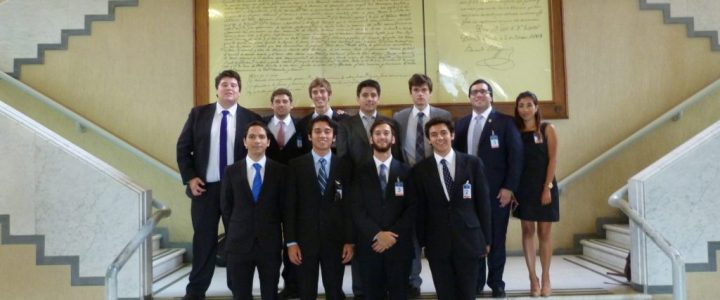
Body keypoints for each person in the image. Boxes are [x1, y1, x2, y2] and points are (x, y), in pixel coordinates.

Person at [176, 69, 261, 300]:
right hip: (205, 189)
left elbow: (258, 152)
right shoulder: (198, 114)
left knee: (236, 243)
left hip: (238, 192)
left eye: (234, 85)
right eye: (224, 84)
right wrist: (191, 177)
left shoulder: (250, 118)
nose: (229, 88)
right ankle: (195, 292)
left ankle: (239, 291)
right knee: (203, 241)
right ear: (217, 89)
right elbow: (183, 148)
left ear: (239, 91)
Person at [453, 79, 523, 298]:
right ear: (469, 97)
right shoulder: (462, 123)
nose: (479, 95)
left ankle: (496, 282)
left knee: (496, 238)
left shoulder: (505, 122)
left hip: (496, 192)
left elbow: (516, 157)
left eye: (483, 91)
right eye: (474, 92)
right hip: (467, 193)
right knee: (473, 238)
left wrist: (509, 188)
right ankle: (477, 281)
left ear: (491, 96)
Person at [409, 117, 491, 300]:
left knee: (468, 292)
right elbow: (419, 209)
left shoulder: (473, 163)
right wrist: (423, 241)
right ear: (429, 139)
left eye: (444, 133)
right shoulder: (420, 170)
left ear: (452, 135)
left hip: (469, 238)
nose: (440, 138)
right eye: (434, 134)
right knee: (445, 292)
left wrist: (486, 238)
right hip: (437, 241)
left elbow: (483, 203)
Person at [392, 73, 451, 298]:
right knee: (410, 231)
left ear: (429, 92)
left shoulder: (442, 115)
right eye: (416, 90)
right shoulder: (400, 116)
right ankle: (413, 280)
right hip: (407, 179)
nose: (420, 94)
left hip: (434, 178)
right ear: (411, 93)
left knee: (434, 228)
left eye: (424, 90)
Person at [283, 115, 354, 300]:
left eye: (327, 131)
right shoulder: (295, 165)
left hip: (336, 241)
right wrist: (291, 242)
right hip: (305, 242)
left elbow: (349, 207)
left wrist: (349, 240)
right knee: (306, 291)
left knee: (335, 291)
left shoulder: (345, 166)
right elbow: (289, 207)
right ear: (309, 136)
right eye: (317, 131)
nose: (322, 135)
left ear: (334, 137)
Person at [220, 121, 286, 300]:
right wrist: (236, 228)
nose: (257, 140)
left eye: (262, 137)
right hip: (238, 244)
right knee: (240, 294)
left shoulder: (280, 171)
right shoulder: (231, 171)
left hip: (269, 243)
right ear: (244, 141)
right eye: (252, 136)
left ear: (268, 142)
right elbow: (226, 207)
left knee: (270, 293)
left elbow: (284, 208)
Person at [351, 119, 414, 300]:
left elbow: (412, 208)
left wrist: (391, 234)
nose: (382, 137)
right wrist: (378, 234)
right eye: (377, 133)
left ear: (393, 139)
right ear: (371, 139)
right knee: (372, 294)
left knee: (399, 294)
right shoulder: (358, 171)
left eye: (386, 133)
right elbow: (356, 208)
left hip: (399, 245)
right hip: (371, 245)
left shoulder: (406, 171)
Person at [512, 91, 559, 297]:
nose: (525, 109)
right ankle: (533, 278)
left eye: (529, 105)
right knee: (528, 231)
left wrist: (547, 187)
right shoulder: (514, 130)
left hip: (544, 186)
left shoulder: (547, 129)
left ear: (537, 107)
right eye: (521, 105)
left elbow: (553, 160)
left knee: (545, 233)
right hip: (523, 188)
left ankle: (546, 276)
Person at [337, 79, 403, 167]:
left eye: (373, 95)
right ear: (358, 99)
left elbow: (396, 154)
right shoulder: (344, 125)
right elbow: (342, 156)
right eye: (365, 95)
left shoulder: (392, 124)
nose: (369, 99)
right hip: (356, 177)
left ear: (378, 99)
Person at [296, 78, 349, 154]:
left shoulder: (345, 120)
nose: (319, 95)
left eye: (322, 91)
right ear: (311, 96)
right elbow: (301, 150)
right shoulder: (303, 123)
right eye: (315, 92)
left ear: (329, 94)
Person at [263, 88, 305, 165]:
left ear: (291, 105)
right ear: (272, 105)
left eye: (285, 101)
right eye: (277, 101)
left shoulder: (301, 124)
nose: (281, 104)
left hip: (294, 170)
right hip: (269, 169)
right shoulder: (262, 124)